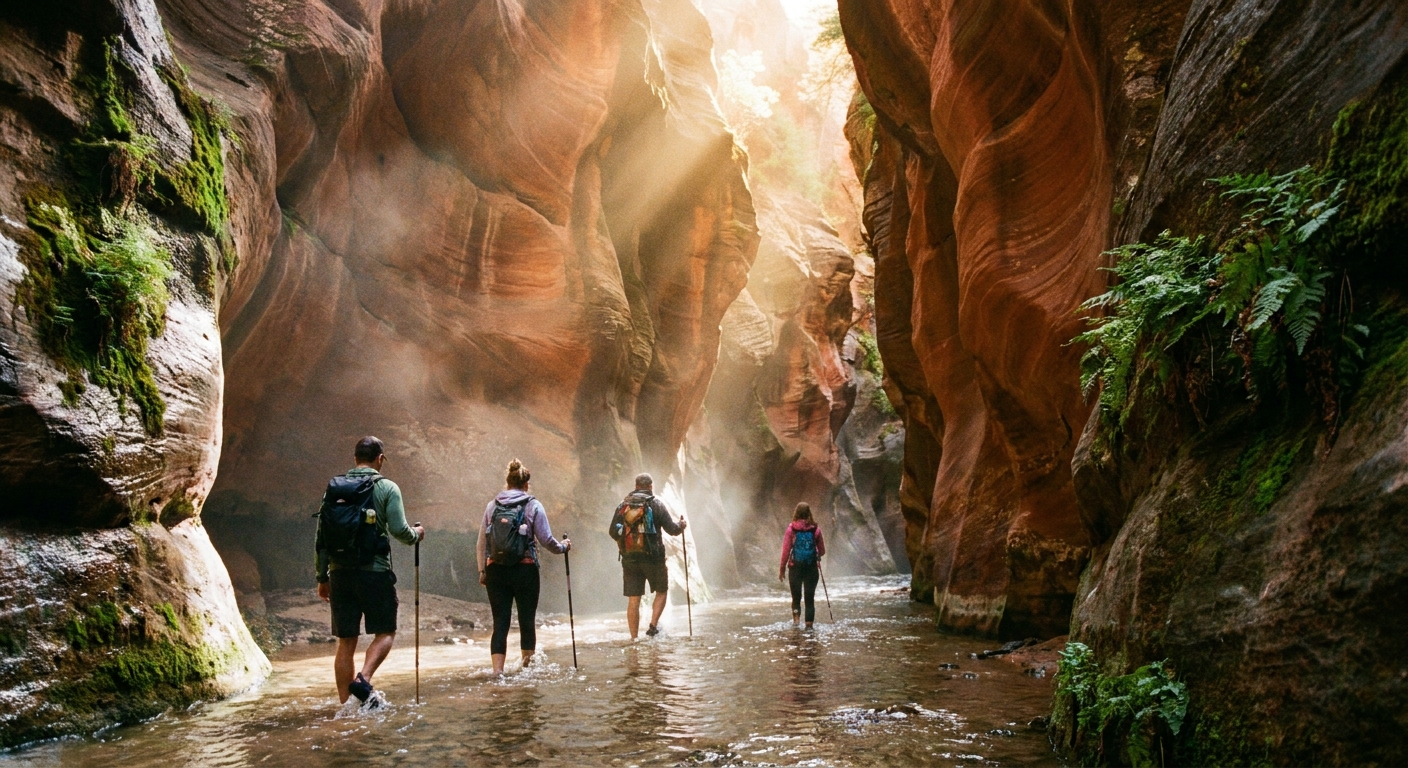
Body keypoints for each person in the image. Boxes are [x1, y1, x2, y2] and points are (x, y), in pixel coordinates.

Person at [315, 436, 425, 705]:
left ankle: (346, 708)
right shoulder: (387, 487)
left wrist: (322, 576)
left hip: (339, 573)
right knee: (385, 631)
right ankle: (363, 680)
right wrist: (416, 535)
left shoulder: (333, 489)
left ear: (354, 459)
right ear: (380, 459)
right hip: (374, 572)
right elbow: (399, 530)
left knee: (345, 641)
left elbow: (321, 536)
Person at [477, 459, 570, 675]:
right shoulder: (533, 505)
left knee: (500, 622)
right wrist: (563, 547)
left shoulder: (492, 506)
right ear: (526, 485)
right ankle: (527, 671)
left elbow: (482, 542)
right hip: (525, 571)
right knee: (527, 621)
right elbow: (546, 540)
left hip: (496, 570)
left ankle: (497, 673)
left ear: (507, 483)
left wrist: (482, 570)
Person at [608, 473, 686, 639]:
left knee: (633, 599)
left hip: (629, 559)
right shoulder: (656, 504)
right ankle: (652, 626)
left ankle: (633, 638)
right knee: (662, 591)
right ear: (651, 486)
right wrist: (682, 525)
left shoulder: (623, 505)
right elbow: (672, 530)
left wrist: (625, 544)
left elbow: (612, 532)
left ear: (636, 486)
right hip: (653, 558)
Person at [779, 502, 825, 628]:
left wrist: (782, 569)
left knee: (796, 598)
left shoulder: (791, 529)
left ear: (796, 512)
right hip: (811, 568)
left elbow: (786, 551)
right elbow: (822, 551)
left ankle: (796, 622)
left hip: (795, 568)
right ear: (809, 513)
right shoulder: (816, 529)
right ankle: (809, 626)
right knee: (809, 599)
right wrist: (814, 552)